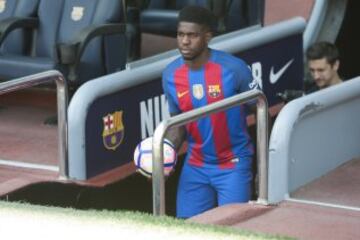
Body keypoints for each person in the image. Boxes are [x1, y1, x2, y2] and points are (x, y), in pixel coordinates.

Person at [162, 6, 259, 218]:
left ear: (207, 37)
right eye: (180, 34)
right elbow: (179, 125)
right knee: (186, 230)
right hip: (196, 164)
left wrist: (265, 164)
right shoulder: (170, 75)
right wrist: (163, 158)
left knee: (234, 229)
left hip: (233, 164)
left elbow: (261, 110)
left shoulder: (234, 69)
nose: (185, 41)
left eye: (192, 35)